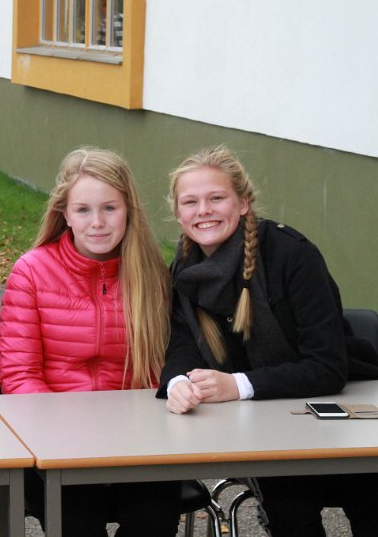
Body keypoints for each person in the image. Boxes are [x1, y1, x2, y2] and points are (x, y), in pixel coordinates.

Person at [159, 145, 378, 537]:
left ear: (243, 202)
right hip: (262, 429)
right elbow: (182, 345)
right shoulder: (185, 269)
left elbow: (327, 366)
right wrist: (178, 383)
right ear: (178, 213)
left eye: (216, 198)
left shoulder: (292, 254)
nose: (203, 210)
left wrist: (238, 384)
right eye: (190, 202)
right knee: (290, 511)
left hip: (339, 414)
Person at [0, 147, 181, 536]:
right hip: (58, 447)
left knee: (154, 520)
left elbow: (160, 371)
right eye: (83, 210)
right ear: (65, 213)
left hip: (138, 447)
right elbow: (20, 375)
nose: (97, 222)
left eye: (109, 208)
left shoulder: (153, 275)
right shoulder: (31, 272)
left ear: (128, 209)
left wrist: (140, 437)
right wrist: (69, 438)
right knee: (78, 525)